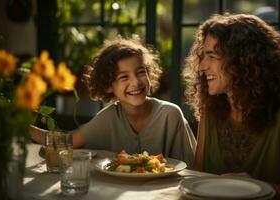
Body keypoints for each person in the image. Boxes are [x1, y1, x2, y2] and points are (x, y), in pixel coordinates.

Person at [182, 13, 280, 187]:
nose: (202, 67)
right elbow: (196, 183)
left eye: (212, 56)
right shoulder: (209, 113)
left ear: (242, 61)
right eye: (202, 56)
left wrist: (258, 187)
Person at [31, 35, 196, 166]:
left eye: (140, 72)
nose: (136, 82)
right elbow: (67, 141)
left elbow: (192, 170)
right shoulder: (109, 117)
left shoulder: (170, 114)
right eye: (124, 77)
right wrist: (24, 127)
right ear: (109, 86)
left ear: (149, 74)